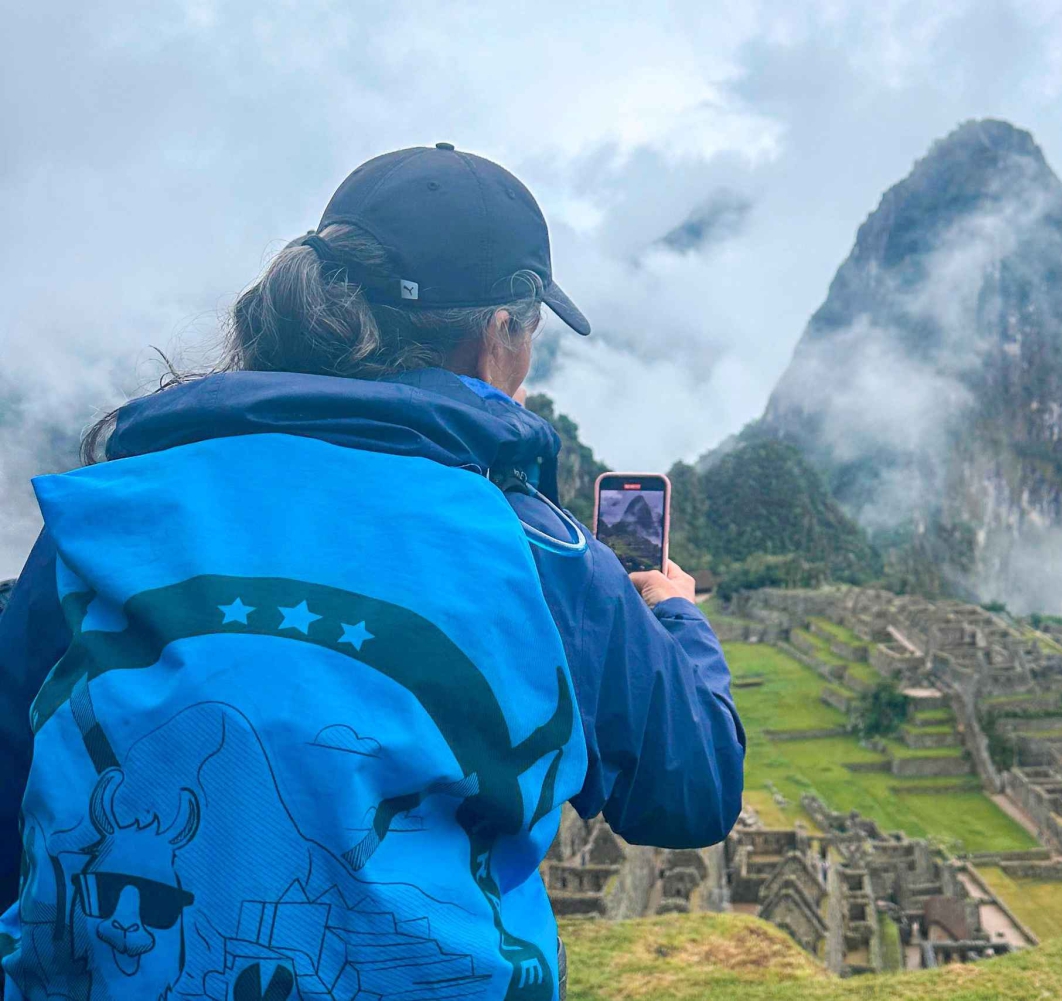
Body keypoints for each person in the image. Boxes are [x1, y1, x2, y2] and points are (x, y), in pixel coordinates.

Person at [0, 144, 745, 1001]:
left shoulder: (102, 518)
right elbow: (693, 786)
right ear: (500, 334)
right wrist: (674, 615)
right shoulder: (538, 553)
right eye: (532, 332)